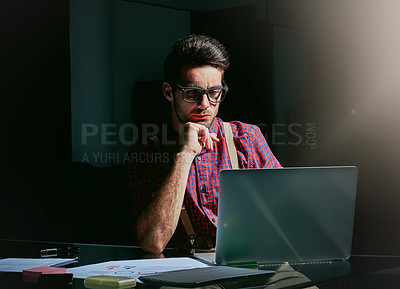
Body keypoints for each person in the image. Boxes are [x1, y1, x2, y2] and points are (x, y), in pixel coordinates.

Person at [125, 35, 281, 254]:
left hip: (252, 259)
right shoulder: (145, 153)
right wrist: (185, 153)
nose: (205, 105)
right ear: (169, 92)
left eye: (214, 93)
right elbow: (153, 241)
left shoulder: (247, 137)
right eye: (192, 93)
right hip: (188, 269)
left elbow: (285, 214)